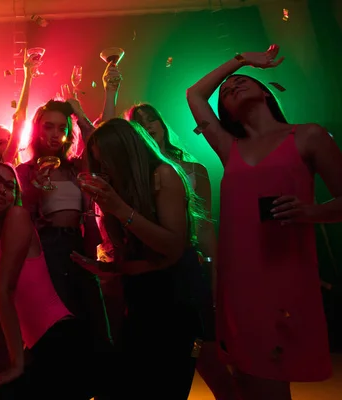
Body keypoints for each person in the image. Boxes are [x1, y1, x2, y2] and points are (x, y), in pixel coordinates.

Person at [186, 44, 342, 399]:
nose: (232, 86)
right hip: (239, 279)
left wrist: (311, 211)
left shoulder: (308, 135)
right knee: (247, 378)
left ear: (264, 91)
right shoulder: (230, 148)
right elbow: (194, 94)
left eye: (242, 81)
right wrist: (240, 61)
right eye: (225, 90)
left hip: (284, 274)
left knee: (271, 379)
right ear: (223, 111)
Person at [71, 118, 204, 399]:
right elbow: (124, 251)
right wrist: (111, 264)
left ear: (125, 153)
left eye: (107, 162)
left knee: (163, 383)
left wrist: (120, 209)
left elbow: (172, 246)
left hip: (173, 294)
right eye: (99, 164)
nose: (105, 169)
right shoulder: (122, 186)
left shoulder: (163, 175)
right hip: (141, 292)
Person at [0, 162, 109, 400]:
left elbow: (4, 291)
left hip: (64, 341)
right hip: (42, 346)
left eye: (9, 186)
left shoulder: (17, 217)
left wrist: (16, 365)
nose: (2, 189)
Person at [127, 103, 235, 399]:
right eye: (139, 122)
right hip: (154, 270)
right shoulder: (136, 176)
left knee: (206, 350)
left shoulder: (193, 169)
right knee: (163, 358)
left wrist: (213, 271)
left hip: (191, 265)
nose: (148, 125)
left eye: (153, 120)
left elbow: (206, 226)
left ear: (162, 126)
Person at [15, 100, 110, 344]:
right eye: (49, 127)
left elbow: (99, 144)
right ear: (37, 129)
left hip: (77, 244)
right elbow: (21, 217)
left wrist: (78, 113)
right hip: (46, 246)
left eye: (61, 128)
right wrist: (35, 189)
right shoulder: (25, 170)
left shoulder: (75, 167)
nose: (55, 134)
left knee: (95, 325)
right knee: (57, 327)